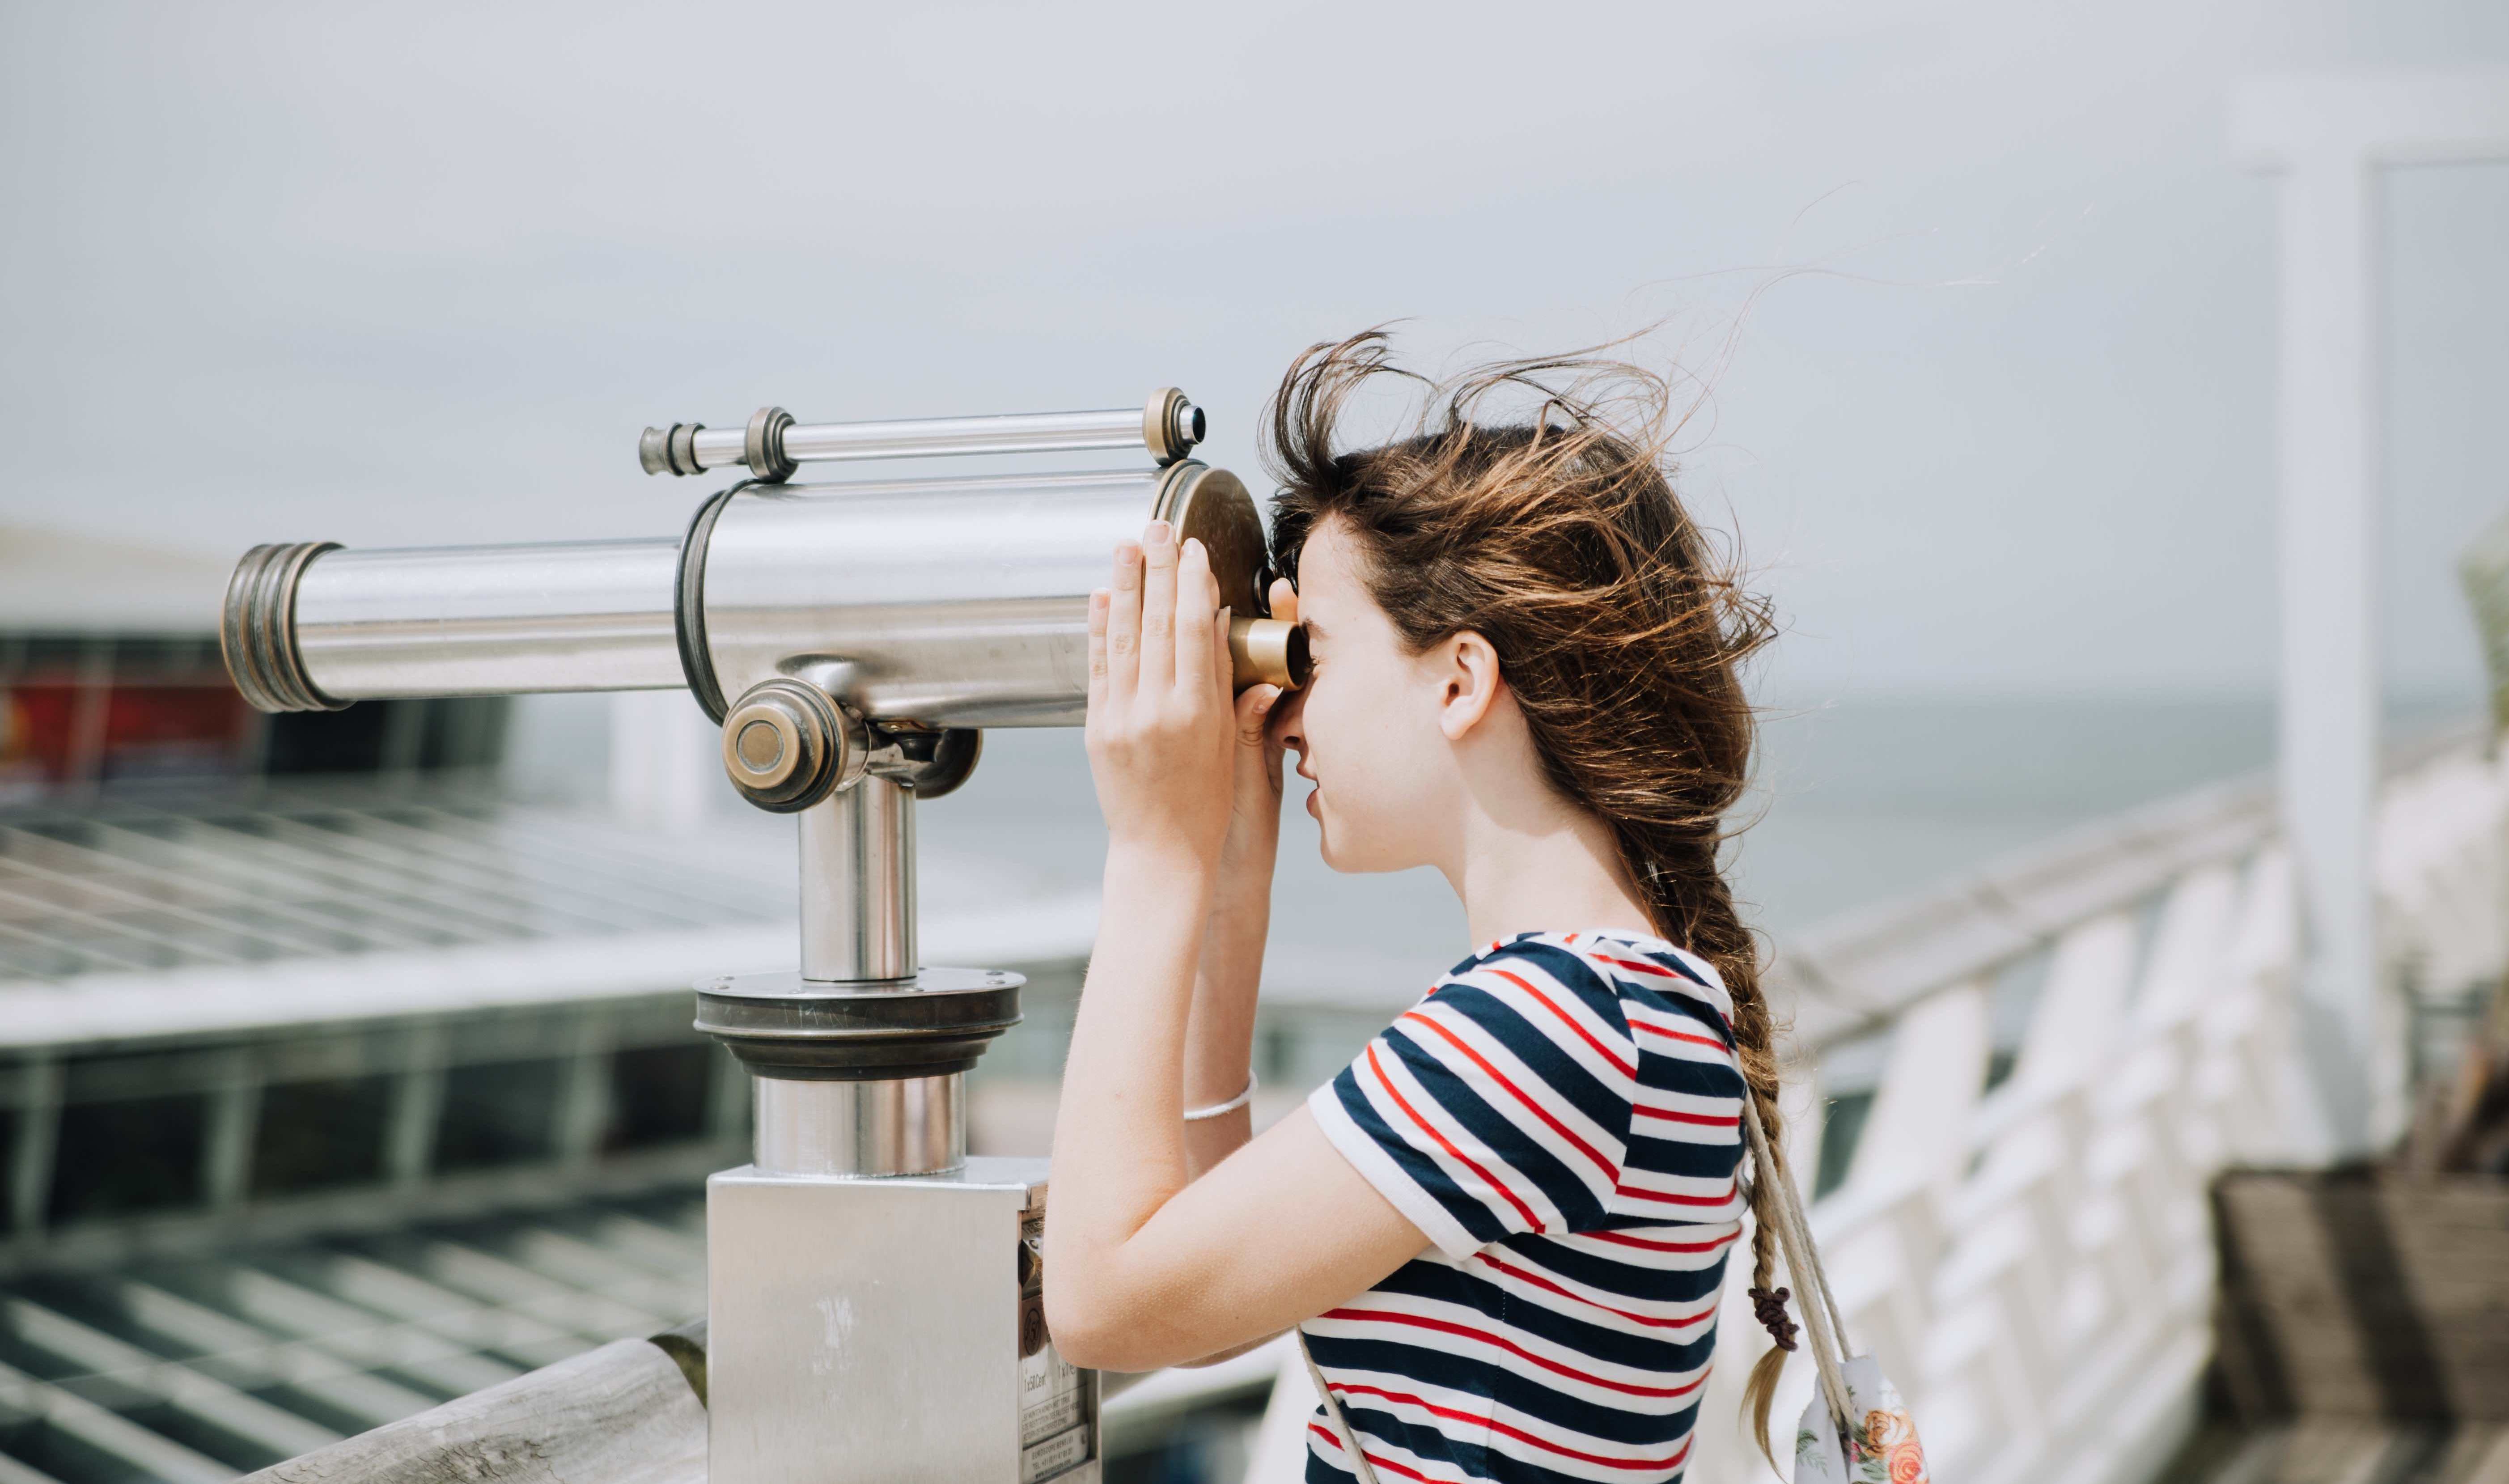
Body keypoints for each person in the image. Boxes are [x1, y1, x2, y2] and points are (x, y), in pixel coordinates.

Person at [1045, 331, 1797, 1484]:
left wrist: (1156, 849)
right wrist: (1235, 882)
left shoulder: (1552, 1027)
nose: (1288, 713)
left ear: (1460, 680)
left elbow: (1099, 1300)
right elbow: (1212, 1302)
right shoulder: (1631, 1001)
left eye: (1318, 655)